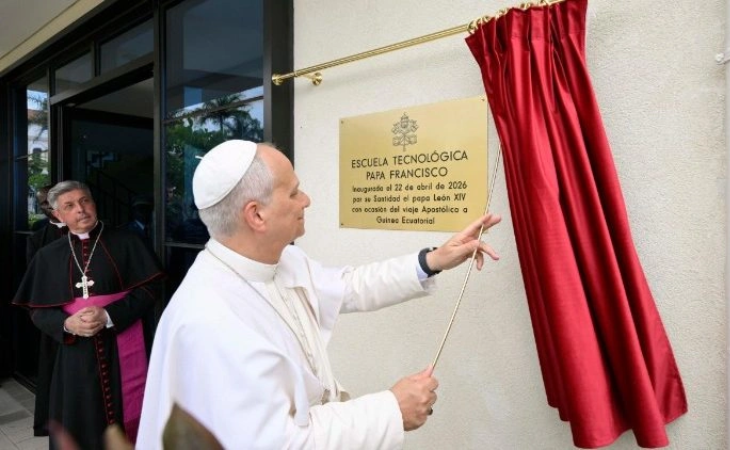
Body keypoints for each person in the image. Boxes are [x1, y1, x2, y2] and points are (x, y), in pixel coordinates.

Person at [137, 140, 502, 449]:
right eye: (294, 192)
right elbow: (279, 443)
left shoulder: (282, 259)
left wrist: (434, 259)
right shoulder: (210, 319)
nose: (307, 200)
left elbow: (350, 286)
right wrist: (391, 409)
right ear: (256, 216)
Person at [13, 180, 165, 450]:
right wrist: (66, 323)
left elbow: (151, 288)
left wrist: (109, 315)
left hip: (124, 345)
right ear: (58, 215)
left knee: (129, 416)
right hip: (74, 354)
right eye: (69, 206)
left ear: (94, 204)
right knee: (79, 419)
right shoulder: (47, 256)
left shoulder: (128, 241)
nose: (80, 210)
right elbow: (36, 310)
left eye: (85, 201)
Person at [25, 184, 68, 437]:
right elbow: (35, 280)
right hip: (57, 315)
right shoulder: (37, 236)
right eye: (43, 204)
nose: (48, 207)